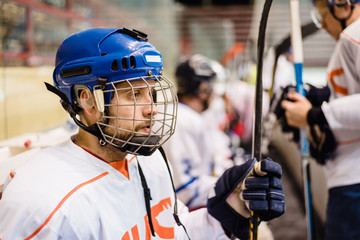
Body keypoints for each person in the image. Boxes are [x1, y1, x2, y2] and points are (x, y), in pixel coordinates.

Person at [0, 28, 285, 240]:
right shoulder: (41, 203)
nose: (151, 109)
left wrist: (230, 211)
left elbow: (171, 231)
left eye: (151, 92)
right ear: (87, 99)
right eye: (135, 94)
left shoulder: (147, 160)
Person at [280, 1, 360, 239]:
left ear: (343, 5)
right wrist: (320, 97)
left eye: (322, 14)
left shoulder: (354, 35)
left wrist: (312, 114)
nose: (322, 24)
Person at [163, 54, 234, 210]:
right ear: (203, 88)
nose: (215, 93)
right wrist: (232, 183)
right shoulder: (182, 120)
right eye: (212, 86)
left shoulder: (187, 116)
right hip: (185, 214)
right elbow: (185, 189)